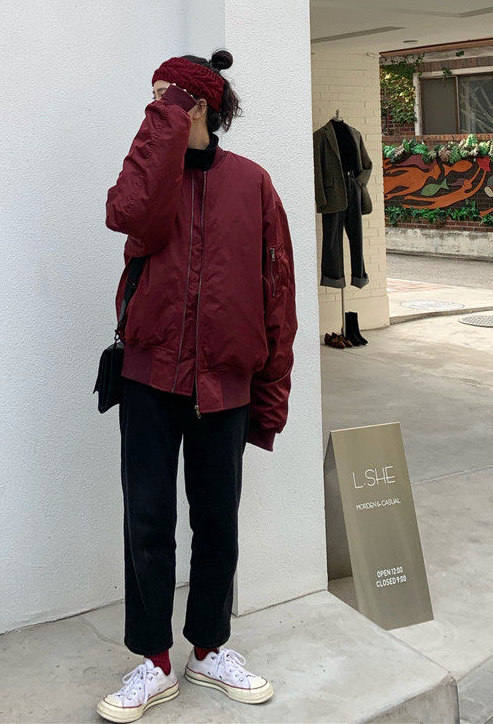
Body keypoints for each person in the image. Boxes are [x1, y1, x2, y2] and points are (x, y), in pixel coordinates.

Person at [97, 49, 298, 723]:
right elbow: (125, 213)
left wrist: (271, 396)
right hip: (150, 377)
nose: (154, 110)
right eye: (152, 100)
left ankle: (208, 649)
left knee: (218, 523)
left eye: (165, 99)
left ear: (200, 107)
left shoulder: (254, 183)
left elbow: (278, 294)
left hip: (226, 385)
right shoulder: (151, 185)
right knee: (147, 522)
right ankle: (153, 662)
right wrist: (161, 130)